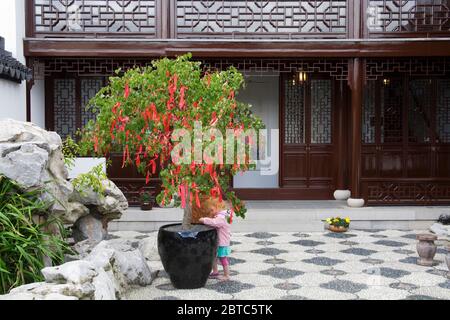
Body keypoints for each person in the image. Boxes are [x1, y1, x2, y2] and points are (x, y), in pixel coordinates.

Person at [199, 197, 232, 281]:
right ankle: (215, 272)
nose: (211, 213)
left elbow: (215, 222)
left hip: (222, 243)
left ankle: (226, 275)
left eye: (212, 210)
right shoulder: (222, 215)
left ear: (218, 206)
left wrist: (204, 220)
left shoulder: (221, 217)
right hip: (219, 242)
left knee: (222, 258)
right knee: (214, 257)